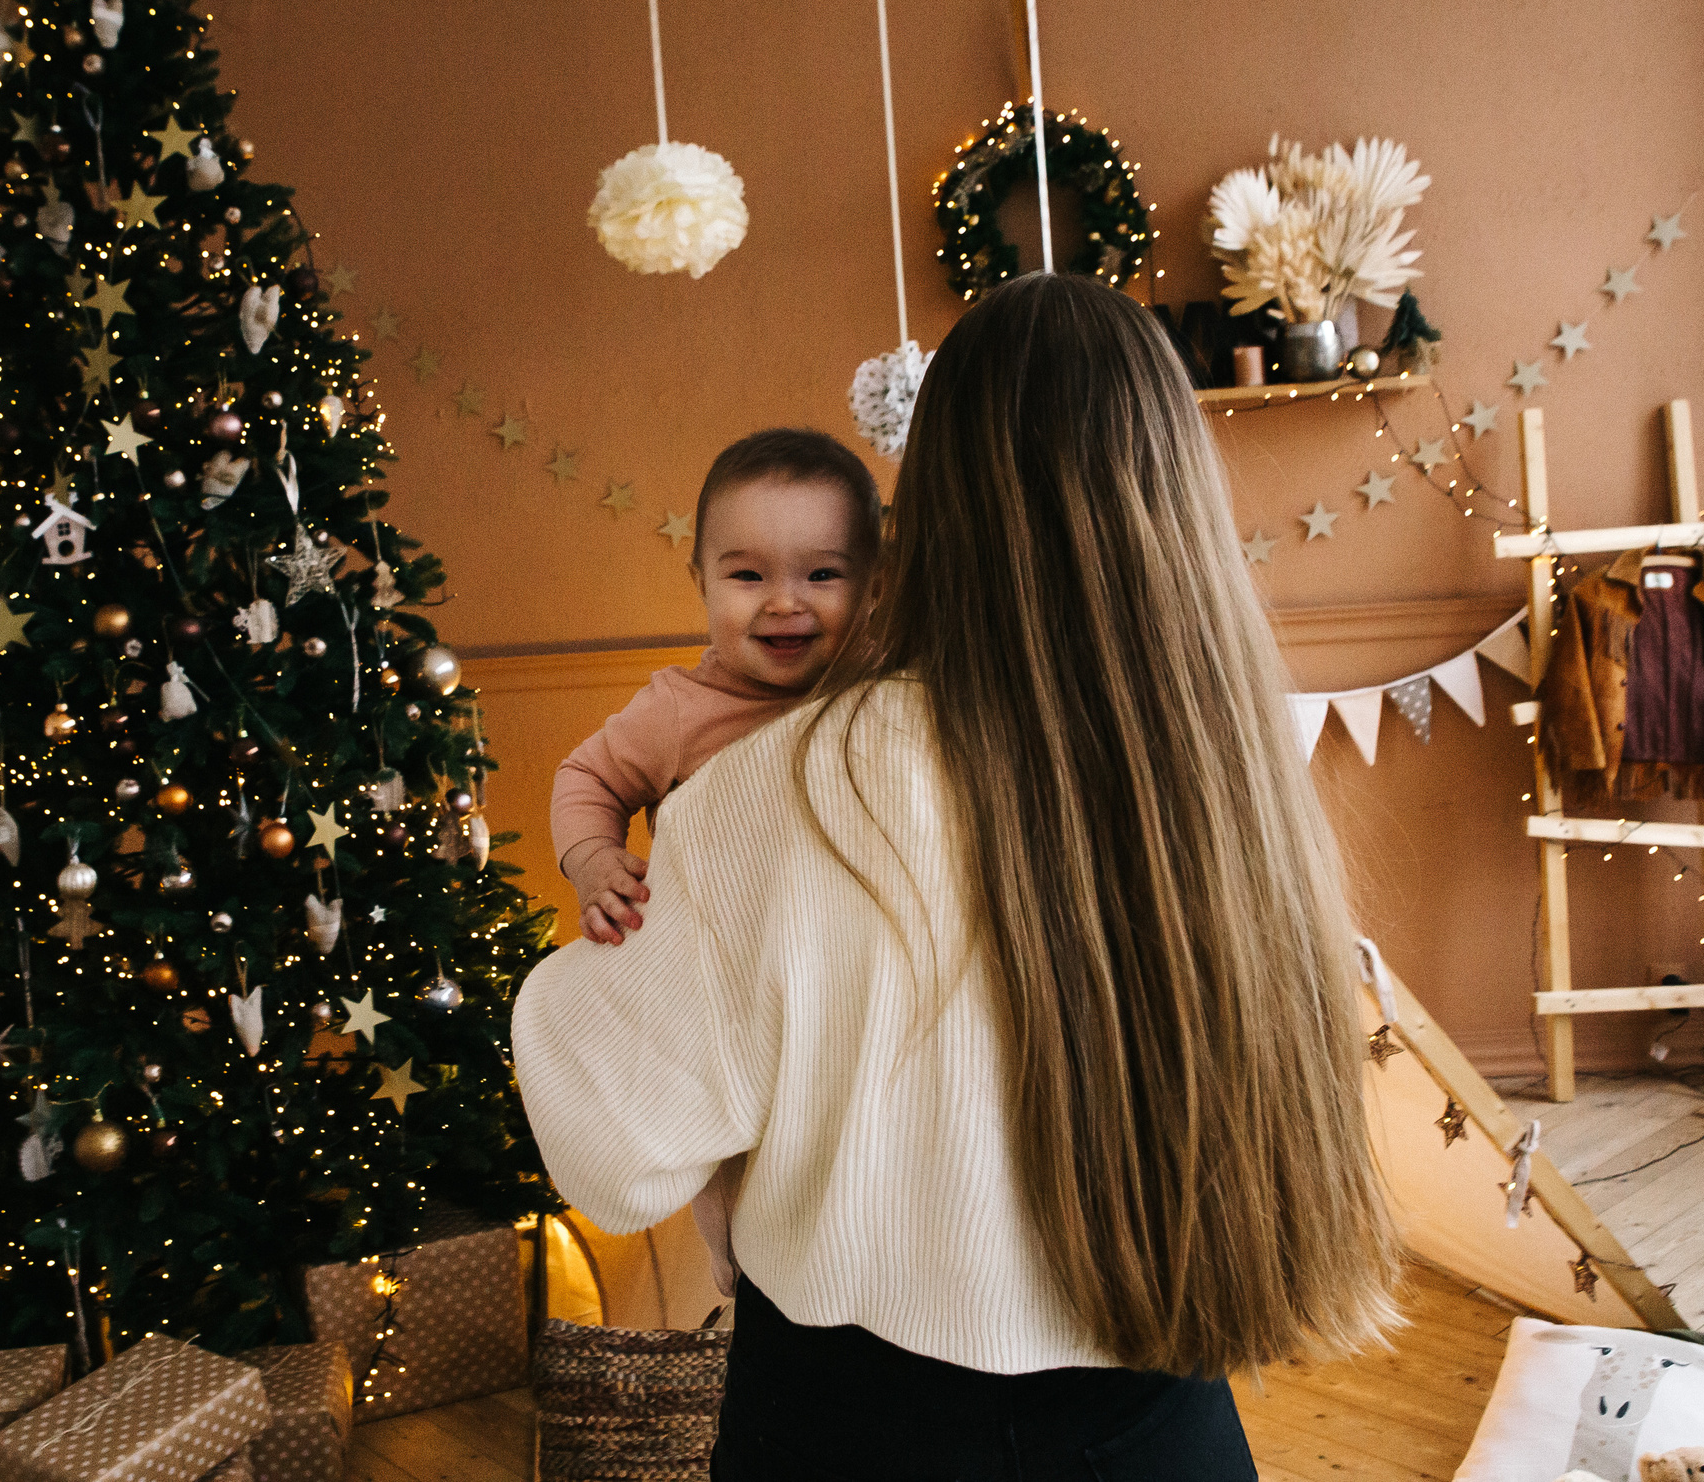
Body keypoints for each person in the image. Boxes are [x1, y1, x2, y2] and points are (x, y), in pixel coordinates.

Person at [511, 274, 1402, 1480]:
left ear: (921, 508)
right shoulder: (1235, 786)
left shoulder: (778, 793)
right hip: (1163, 1422)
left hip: (853, 1426)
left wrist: (573, 965)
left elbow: (618, 1151)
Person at [550, 426, 883, 1294]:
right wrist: (593, 860)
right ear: (698, 580)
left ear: (874, 581)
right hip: (722, 994)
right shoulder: (678, 709)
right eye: (747, 575)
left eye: (823, 573)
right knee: (738, 1170)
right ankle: (744, 1268)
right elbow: (586, 774)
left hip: (841, 988)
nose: (784, 603)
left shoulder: (878, 695)